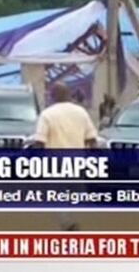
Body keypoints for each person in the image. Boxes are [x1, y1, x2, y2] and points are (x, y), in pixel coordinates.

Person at [32, 83, 98, 231]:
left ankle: (66, 221)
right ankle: (77, 221)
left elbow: (39, 141)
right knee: (77, 192)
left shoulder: (47, 114)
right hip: (77, 159)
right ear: (69, 95)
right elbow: (92, 139)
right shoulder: (81, 112)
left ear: (53, 96)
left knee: (56, 193)